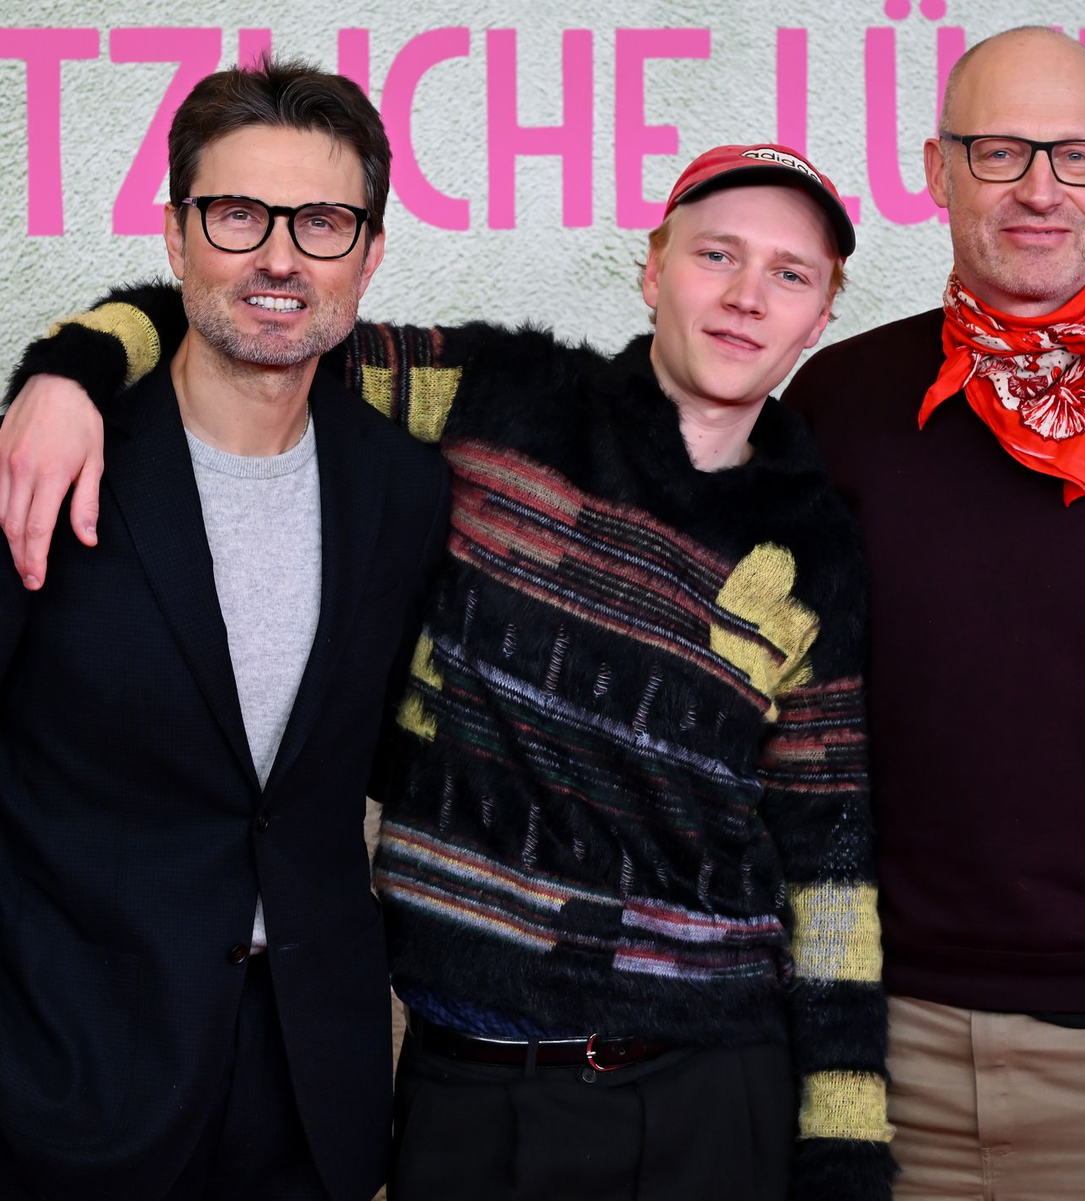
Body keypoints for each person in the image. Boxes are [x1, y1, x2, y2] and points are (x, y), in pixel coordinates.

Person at [0, 145, 895, 1198]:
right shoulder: (495, 396)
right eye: (718, 255)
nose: (748, 297)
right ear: (654, 268)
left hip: (704, 1086)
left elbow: (829, 862)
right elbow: (265, 322)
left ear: (821, 316)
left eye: (790, 274)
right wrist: (70, 373)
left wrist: (846, 1152)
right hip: (463, 1079)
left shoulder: (811, 549)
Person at [0, 58, 449, 1201]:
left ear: (373, 251)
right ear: (177, 234)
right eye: (239, 214)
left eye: (325, 221)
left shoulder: (402, 487)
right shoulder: (56, 457)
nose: (281, 257)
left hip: (311, 1094)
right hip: (69, 1084)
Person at [783, 25, 1085, 1199]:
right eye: (1000, 150)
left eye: (1073, 156)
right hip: (886, 1049)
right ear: (936, 169)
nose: (1037, 189)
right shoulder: (841, 402)